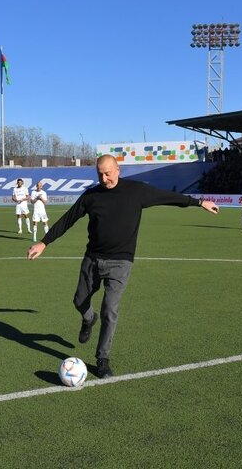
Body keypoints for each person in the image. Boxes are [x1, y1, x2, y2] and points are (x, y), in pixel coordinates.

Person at [27, 155, 219, 378]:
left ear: (118, 170)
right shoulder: (91, 196)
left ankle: (102, 359)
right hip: (92, 259)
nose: (104, 178)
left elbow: (168, 197)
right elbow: (68, 220)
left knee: (110, 309)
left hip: (121, 261)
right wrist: (44, 242)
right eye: (100, 174)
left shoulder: (136, 191)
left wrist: (199, 202)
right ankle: (89, 318)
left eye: (108, 173)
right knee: (79, 301)